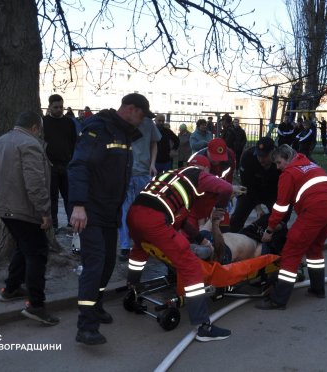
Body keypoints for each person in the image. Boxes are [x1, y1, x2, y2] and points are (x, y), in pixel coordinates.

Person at [69, 93, 152, 346]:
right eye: (141, 115)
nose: (142, 122)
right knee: (94, 265)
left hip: (109, 211)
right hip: (90, 210)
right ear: (129, 108)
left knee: (106, 264)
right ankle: (86, 326)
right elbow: (79, 165)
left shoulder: (123, 134)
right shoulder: (99, 129)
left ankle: (96, 306)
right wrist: (79, 206)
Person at [125, 154, 233, 342]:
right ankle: (203, 327)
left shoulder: (170, 176)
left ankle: (131, 290)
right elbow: (227, 188)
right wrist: (219, 210)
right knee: (190, 266)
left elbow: (181, 221)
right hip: (154, 220)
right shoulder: (199, 175)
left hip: (134, 214)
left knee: (139, 252)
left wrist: (200, 238)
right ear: (204, 169)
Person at [0, 111, 59, 326]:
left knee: (23, 246)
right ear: (35, 127)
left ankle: (11, 288)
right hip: (24, 209)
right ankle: (36, 305)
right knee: (37, 253)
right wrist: (44, 212)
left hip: (4, 207)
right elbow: (35, 182)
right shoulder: (30, 144)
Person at [256, 145, 327, 310]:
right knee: (315, 248)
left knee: (291, 252)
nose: (278, 167)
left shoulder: (289, 173)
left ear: (287, 158)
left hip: (315, 210)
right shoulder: (309, 164)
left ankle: (278, 300)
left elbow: (280, 206)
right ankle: (318, 289)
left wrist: (269, 230)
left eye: (279, 162)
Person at [117, 116, 161, 261]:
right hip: (126, 173)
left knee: (143, 210)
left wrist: (152, 164)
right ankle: (125, 245)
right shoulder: (122, 122)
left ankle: (142, 243)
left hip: (143, 172)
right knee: (124, 209)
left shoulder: (148, 123)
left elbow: (154, 143)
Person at [230, 137, 280, 233]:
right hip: (251, 190)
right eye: (259, 155)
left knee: (279, 217)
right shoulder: (247, 157)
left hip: (272, 192)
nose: (261, 159)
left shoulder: (281, 159)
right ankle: (232, 237)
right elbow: (247, 184)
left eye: (264, 156)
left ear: (273, 153)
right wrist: (258, 208)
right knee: (237, 217)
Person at [43, 94, 77, 230]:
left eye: (61, 107)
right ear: (50, 107)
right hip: (50, 165)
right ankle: (54, 224)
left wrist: (72, 160)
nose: (59, 110)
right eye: (56, 107)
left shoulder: (69, 122)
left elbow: (74, 142)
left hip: (66, 164)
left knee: (69, 195)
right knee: (52, 197)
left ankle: (71, 222)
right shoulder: (43, 122)